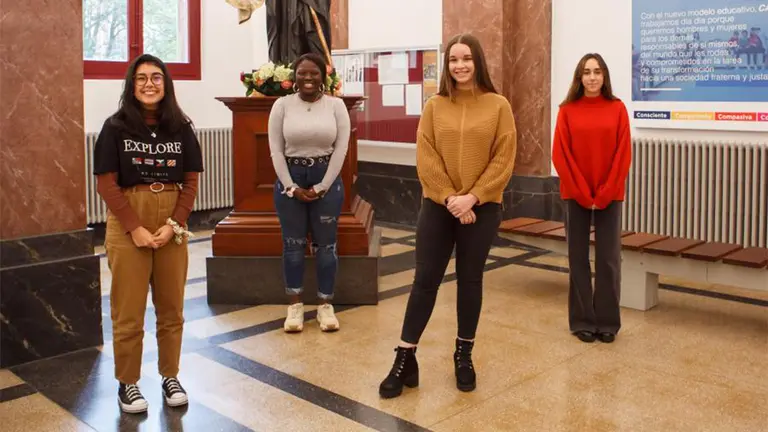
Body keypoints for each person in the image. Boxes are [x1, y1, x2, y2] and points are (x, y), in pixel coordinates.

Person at [378, 33, 517, 399]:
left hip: (482, 207)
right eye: (454, 59)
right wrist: (452, 199)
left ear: (478, 62)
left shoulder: (498, 105)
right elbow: (426, 157)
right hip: (438, 207)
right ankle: (405, 358)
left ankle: (463, 355)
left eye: (467, 58)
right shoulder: (434, 106)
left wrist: (473, 198)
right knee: (425, 280)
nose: (460, 65)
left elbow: (503, 160)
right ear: (447, 65)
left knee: (470, 281)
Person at [94, 54, 203, 413]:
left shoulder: (181, 127)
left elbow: (190, 180)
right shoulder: (115, 127)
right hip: (130, 219)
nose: (150, 84)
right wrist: (134, 228)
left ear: (166, 84)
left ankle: (170, 375)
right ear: (131, 84)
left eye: (156, 77)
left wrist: (175, 224)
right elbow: (107, 184)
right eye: (141, 78)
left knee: (172, 309)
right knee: (128, 311)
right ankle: (128, 383)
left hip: (171, 220)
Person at [551, 53, 631, 344]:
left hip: (610, 194)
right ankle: (582, 320)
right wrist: (584, 194)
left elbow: (623, 155)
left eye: (597, 71)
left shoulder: (617, 108)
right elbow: (560, 155)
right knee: (578, 259)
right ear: (579, 77)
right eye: (587, 72)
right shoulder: (567, 110)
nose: (592, 77)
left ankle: (608, 322)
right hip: (576, 194)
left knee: (609, 259)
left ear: (605, 76)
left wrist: (606, 192)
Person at [268, 52, 350, 333]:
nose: (308, 78)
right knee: (292, 245)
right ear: (294, 77)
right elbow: (276, 150)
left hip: (326, 177)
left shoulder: (336, 106)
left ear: (323, 77)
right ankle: (295, 307)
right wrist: (291, 187)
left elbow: (341, 149)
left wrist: (322, 186)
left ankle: (325, 306)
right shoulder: (281, 106)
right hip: (290, 178)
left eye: (314, 73)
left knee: (326, 246)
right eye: (302, 72)